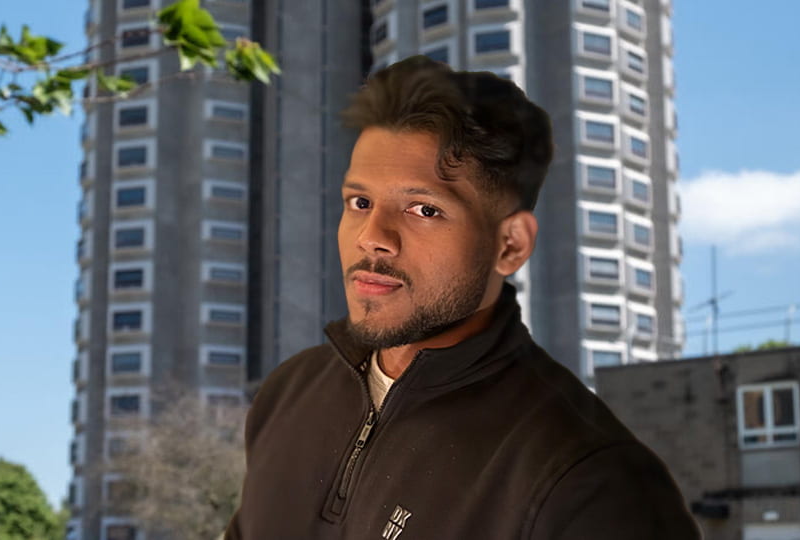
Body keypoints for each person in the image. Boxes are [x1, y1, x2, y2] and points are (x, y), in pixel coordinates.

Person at [224, 56, 701, 539]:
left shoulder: (590, 482)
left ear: (509, 244)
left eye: (424, 209)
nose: (372, 237)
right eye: (360, 202)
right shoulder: (289, 394)